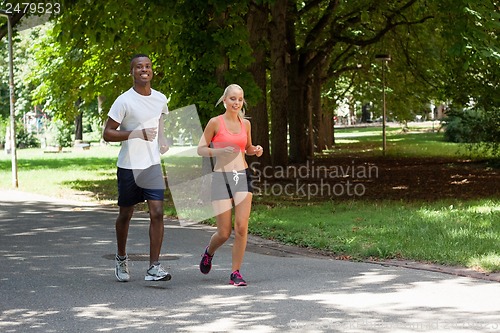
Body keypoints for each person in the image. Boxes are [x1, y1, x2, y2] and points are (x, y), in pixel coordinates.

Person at [103, 54, 171, 282]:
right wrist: (136, 134)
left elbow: (159, 120)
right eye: (139, 67)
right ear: (132, 72)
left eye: (148, 66)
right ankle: (121, 257)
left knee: (158, 213)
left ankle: (154, 267)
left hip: (151, 165)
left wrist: (162, 139)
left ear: (152, 71)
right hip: (129, 166)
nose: (144, 69)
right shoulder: (124, 101)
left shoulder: (161, 98)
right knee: (126, 214)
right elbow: (108, 133)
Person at [197, 84, 263, 286]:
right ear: (224, 100)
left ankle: (236, 272)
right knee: (224, 232)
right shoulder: (215, 123)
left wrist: (256, 149)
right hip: (221, 178)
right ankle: (209, 252)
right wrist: (219, 151)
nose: (236, 102)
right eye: (233, 98)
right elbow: (201, 149)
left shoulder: (246, 124)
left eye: (240, 99)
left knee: (242, 227)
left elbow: (248, 147)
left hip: (241, 176)